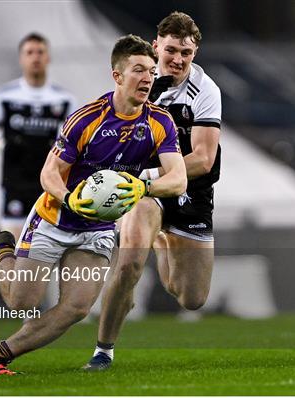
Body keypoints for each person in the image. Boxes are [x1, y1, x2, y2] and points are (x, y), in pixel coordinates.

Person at [0, 34, 187, 375]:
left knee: (77, 307)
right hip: (54, 221)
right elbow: (49, 174)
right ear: (117, 76)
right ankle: (1, 251)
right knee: (21, 302)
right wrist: (71, 199)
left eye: (151, 72)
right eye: (138, 70)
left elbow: (178, 179)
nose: (147, 78)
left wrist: (143, 185)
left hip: (97, 229)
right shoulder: (86, 119)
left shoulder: (159, 123)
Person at [84, 11, 222, 370]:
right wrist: (134, 180)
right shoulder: (140, 81)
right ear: (156, 46)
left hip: (191, 192)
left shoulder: (205, 91)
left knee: (191, 297)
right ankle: (103, 351)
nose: (177, 59)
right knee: (129, 264)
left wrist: (155, 175)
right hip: (144, 191)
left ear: (195, 55)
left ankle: (163, 238)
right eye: (171, 50)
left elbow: (204, 159)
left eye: (187, 53)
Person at [0, 32, 76, 240]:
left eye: (40, 52)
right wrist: (2, 146)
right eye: (29, 52)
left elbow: (77, 141)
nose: (35, 57)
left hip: (50, 183)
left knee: (46, 249)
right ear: (21, 59)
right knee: (11, 246)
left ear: (48, 57)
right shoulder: (5, 95)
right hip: (15, 182)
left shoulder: (64, 99)